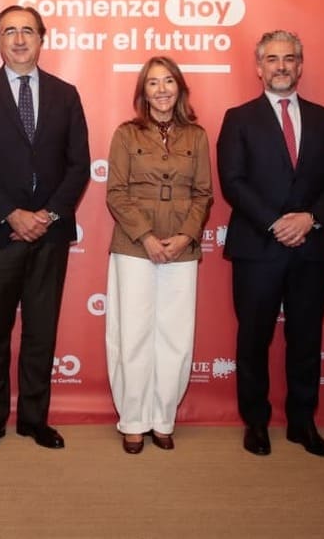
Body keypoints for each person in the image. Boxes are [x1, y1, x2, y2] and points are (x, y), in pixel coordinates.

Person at [0, 4, 90, 452]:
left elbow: (79, 165)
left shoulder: (66, 94)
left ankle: (34, 420)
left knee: (41, 331)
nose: (18, 39)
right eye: (8, 31)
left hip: (50, 234)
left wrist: (48, 215)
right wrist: (11, 214)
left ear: (41, 38)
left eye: (27, 31)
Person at [216, 31, 324, 458]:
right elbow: (233, 182)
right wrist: (276, 223)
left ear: (300, 65)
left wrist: (310, 219)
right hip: (258, 246)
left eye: (289, 58)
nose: (280, 66)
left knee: (306, 338)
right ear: (258, 67)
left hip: (309, 246)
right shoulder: (238, 118)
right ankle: (255, 423)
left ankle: (302, 423)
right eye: (271, 59)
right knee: (253, 339)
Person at [105, 56, 213, 455]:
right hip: (135, 247)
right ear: (143, 92)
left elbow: (203, 194)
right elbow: (115, 192)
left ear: (180, 88)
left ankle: (162, 418)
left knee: (175, 336)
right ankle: (133, 420)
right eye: (153, 83)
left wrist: (185, 236)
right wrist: (147, 237)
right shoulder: (125, 133)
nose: (162, 90)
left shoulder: (197, 136)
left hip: (182, 250)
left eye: (169, 81)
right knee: (132, 334)